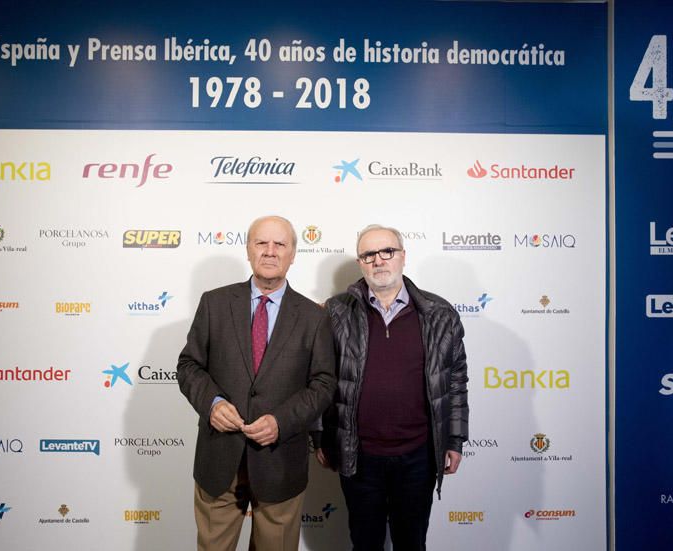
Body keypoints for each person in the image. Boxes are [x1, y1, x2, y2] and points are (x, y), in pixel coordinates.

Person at [177, 215, 336, 551]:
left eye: (280, 244)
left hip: (281, 465)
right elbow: (189, 365)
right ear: (248, 250)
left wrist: (282, 421)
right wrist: (213, 403)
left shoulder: (314, 316)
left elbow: (323, 383)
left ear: (293, 253)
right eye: (261, 243)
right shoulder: (214, 303)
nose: (270, 251)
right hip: (219, 461)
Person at [315, 224, 469, 551]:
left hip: (418, 455)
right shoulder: (336, 312)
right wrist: (318, 435)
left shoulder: (440, 314)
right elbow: (317, 378)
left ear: (402, 257)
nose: (379, 261)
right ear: (360, 262)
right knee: (365, 543)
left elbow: (455, 382)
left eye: (387, 251)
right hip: (359, 456)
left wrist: (454, 438)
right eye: (369, 254)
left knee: (411, 543)